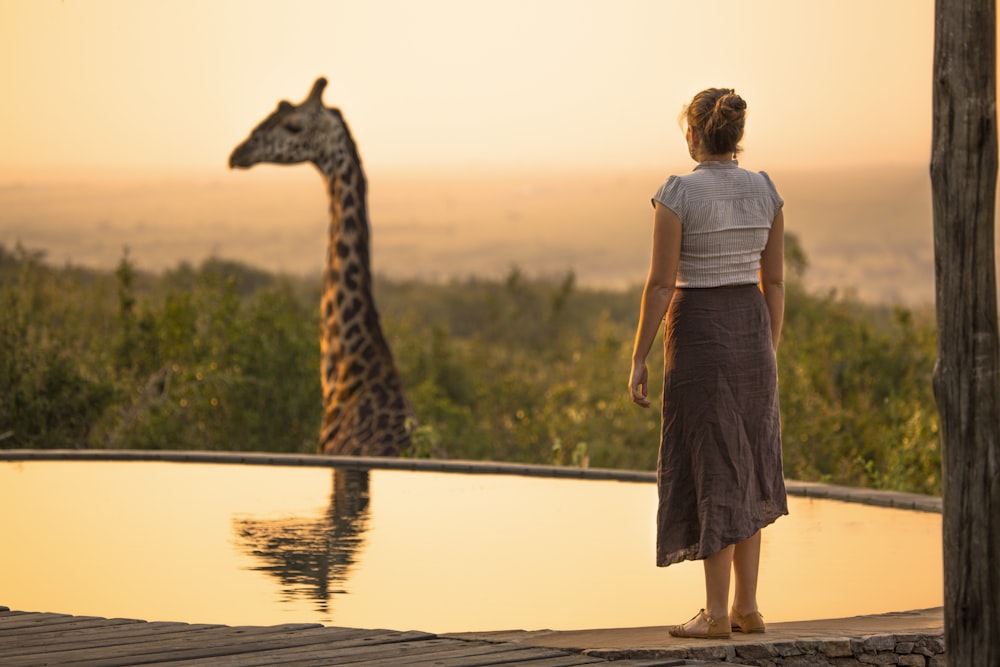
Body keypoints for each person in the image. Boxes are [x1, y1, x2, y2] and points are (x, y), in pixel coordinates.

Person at [628, 87, 788, 640]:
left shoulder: (677, 194)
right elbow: (777, 281)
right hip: (751, 327)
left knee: (714, 465)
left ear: (694, 134)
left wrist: (639, 357)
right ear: (737, 137)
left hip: (697, 330)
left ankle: (716, 613)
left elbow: (660, 285)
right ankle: (748, 607)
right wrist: (767, 347)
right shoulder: (765, 190)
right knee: (749, 462)